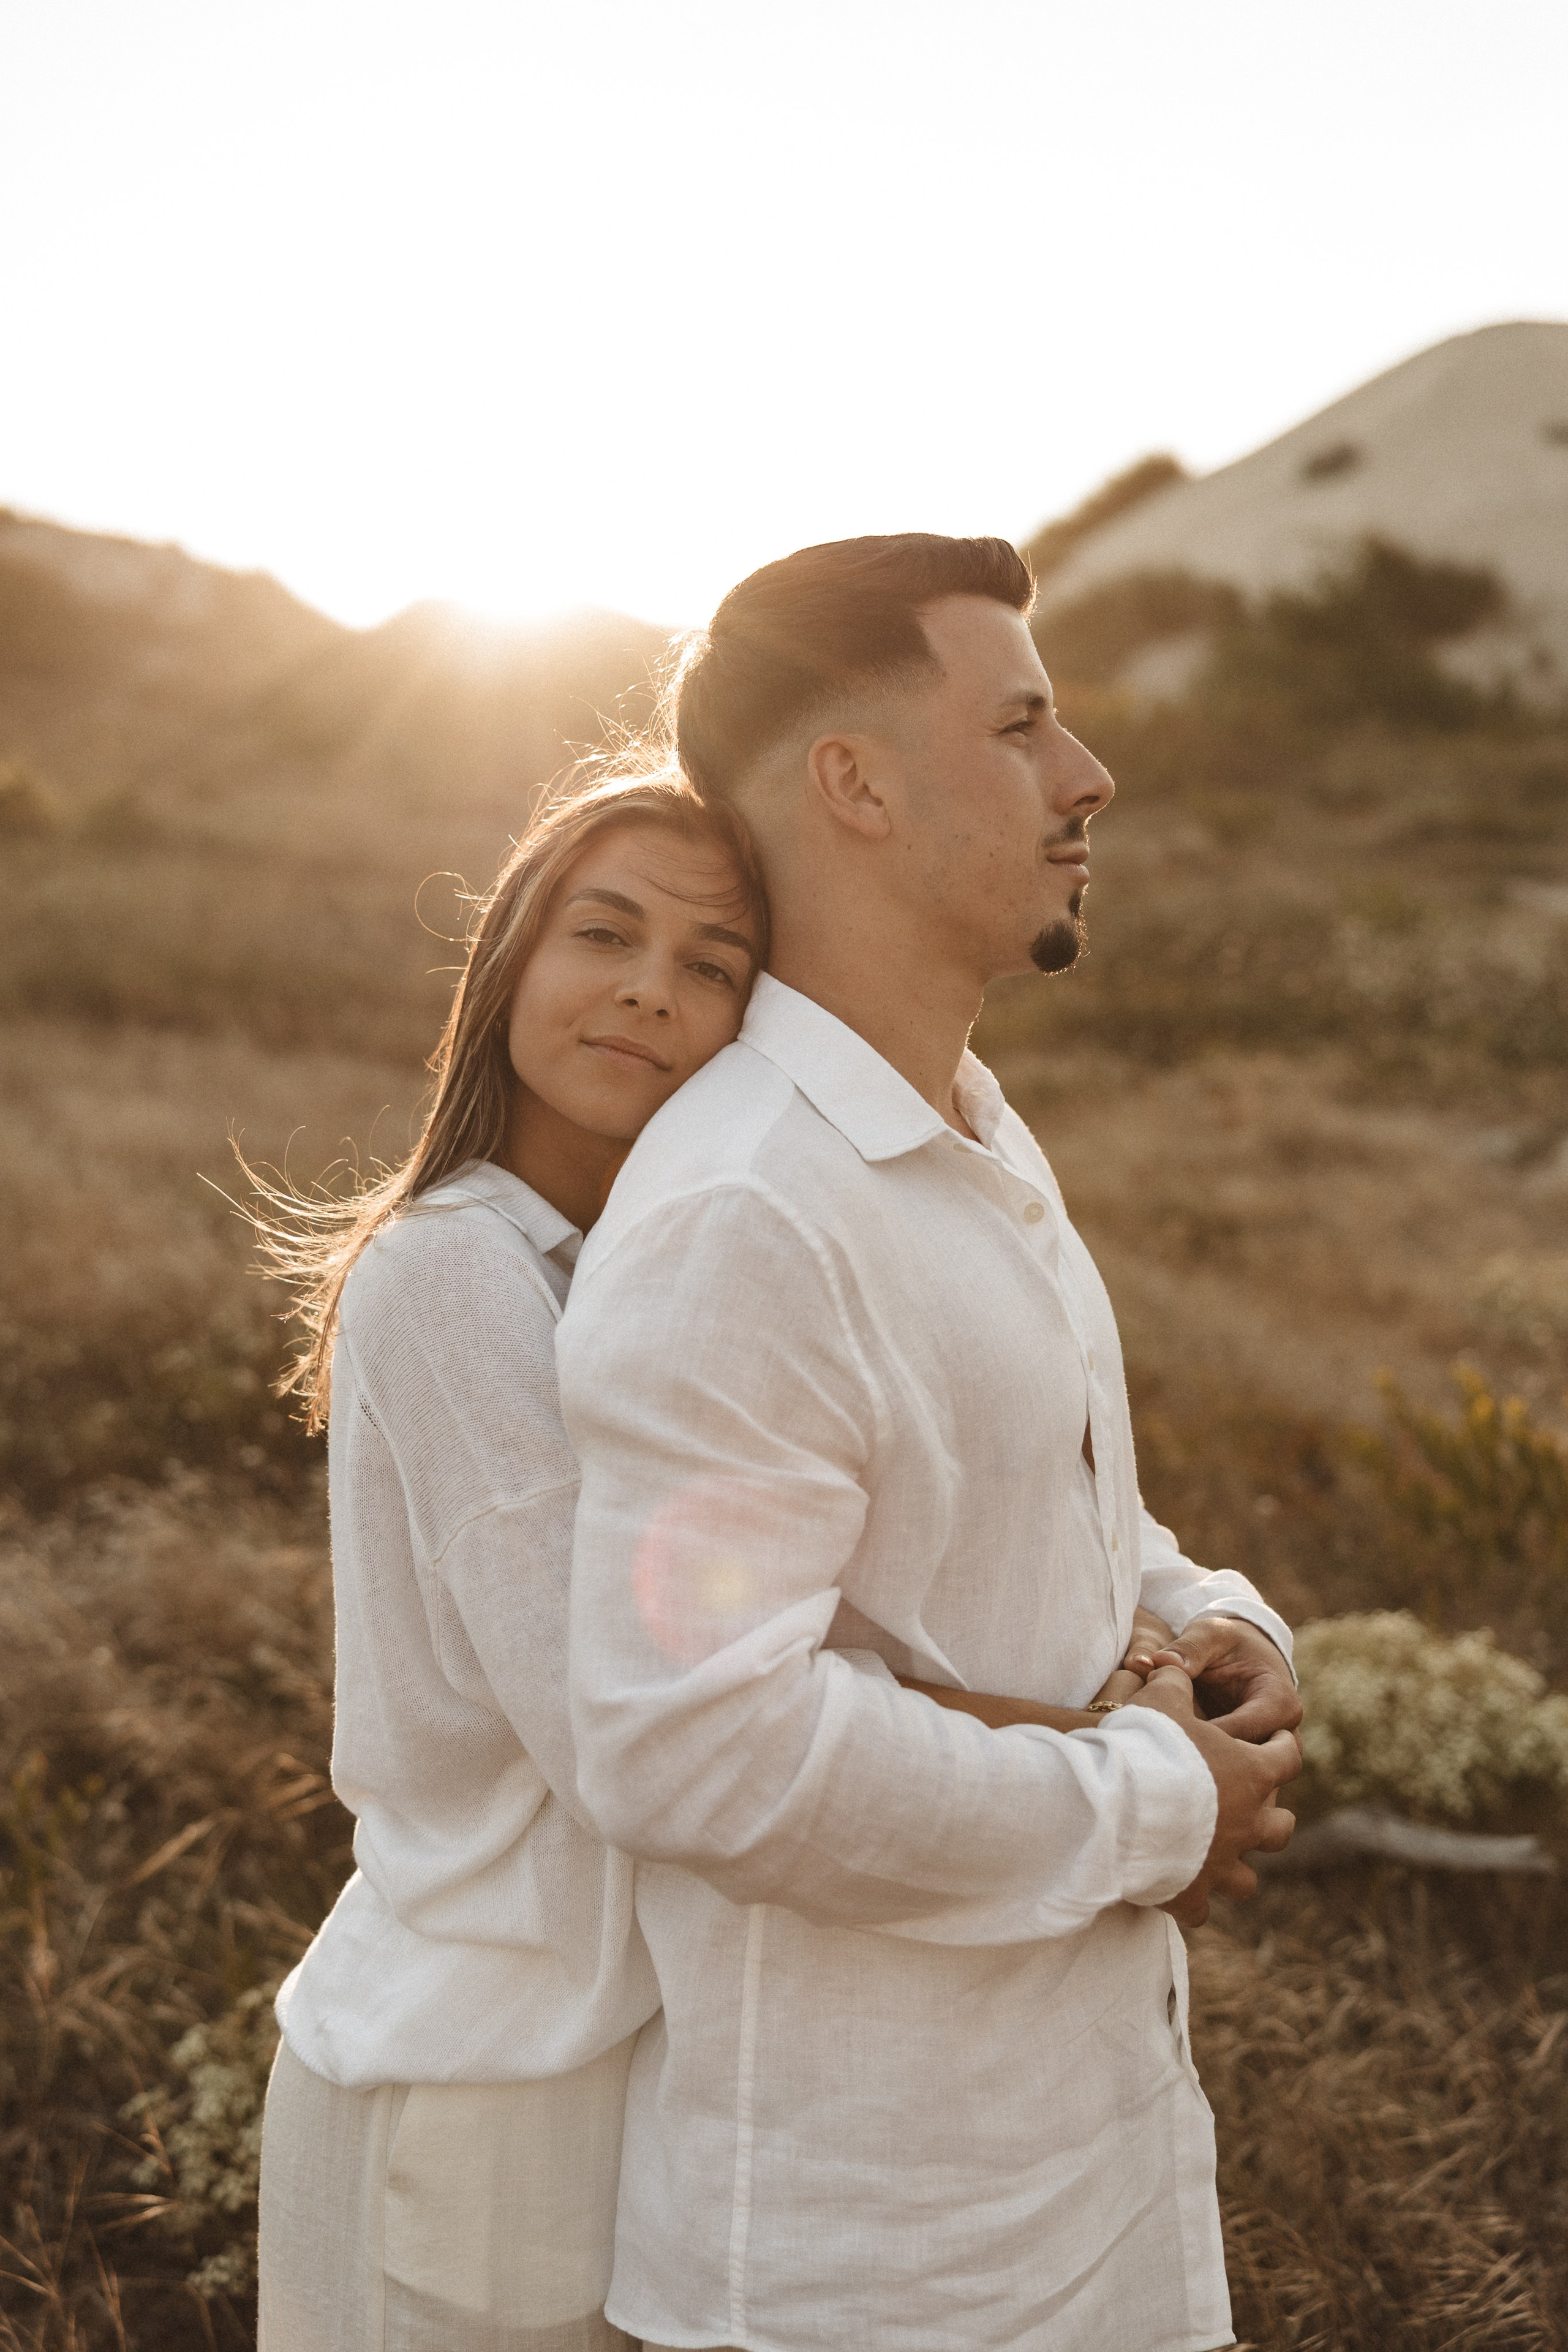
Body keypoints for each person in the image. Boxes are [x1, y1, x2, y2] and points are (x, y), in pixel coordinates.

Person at [557, 535, 1305, 2352]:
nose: (1089, 777)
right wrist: (1152, 1805)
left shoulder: (964, 1121)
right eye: (1027, 724)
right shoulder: (752, 1211)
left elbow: (1042, 1494)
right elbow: (696, 1748)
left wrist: (1210, 1616)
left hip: (1081, 2200)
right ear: (855, 785)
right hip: (872, 2277)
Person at [252, 769, 771, 2352]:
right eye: (603, 933)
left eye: (714, 966)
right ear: (508, 967)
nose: (648, 990)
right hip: (479, 2091)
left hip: (619, 2077)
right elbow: (615, 1718)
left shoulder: (657, 1280)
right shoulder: (454, 1274)